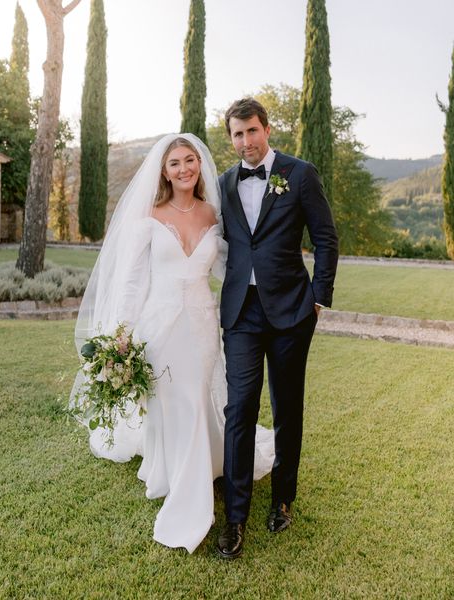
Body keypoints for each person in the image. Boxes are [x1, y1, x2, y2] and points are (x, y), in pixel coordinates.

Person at [72, 133, 275, 554]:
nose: (183, 169)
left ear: (199, 165)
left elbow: (229, 267)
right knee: (171, 402)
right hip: (159, 327)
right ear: (163, 172)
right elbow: (130, 281)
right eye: (174, 163)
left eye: (189, 161)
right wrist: (122, 333)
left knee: (199, 399)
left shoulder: (213, 216)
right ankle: (185, 486)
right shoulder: (148, 216)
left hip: (201, 325)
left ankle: (200, 466)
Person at [215, 98, 339, 559]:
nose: (245, 141)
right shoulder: (226, 183)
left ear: (266, 129)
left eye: (251, 131)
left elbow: (325, 237)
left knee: (287, 407)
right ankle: (235, 517)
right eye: (237, 134)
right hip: (241, 314)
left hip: (291, 311)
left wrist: (319, 297)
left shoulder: (300, 174)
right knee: (239, 408)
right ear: (230, 138)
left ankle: (283, 498)